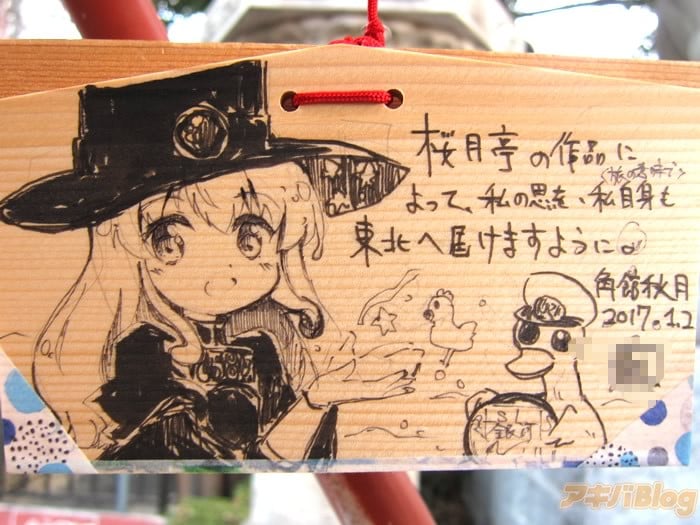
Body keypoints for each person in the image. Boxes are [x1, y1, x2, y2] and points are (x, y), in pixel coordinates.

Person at [0, 60, 413, 461]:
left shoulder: (263, 348)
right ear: (128, 248)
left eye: (250, 238)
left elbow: (270, 458)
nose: (220, 276)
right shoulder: (141, 351)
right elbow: (154, 454)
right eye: (168, 243)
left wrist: (315, 400)